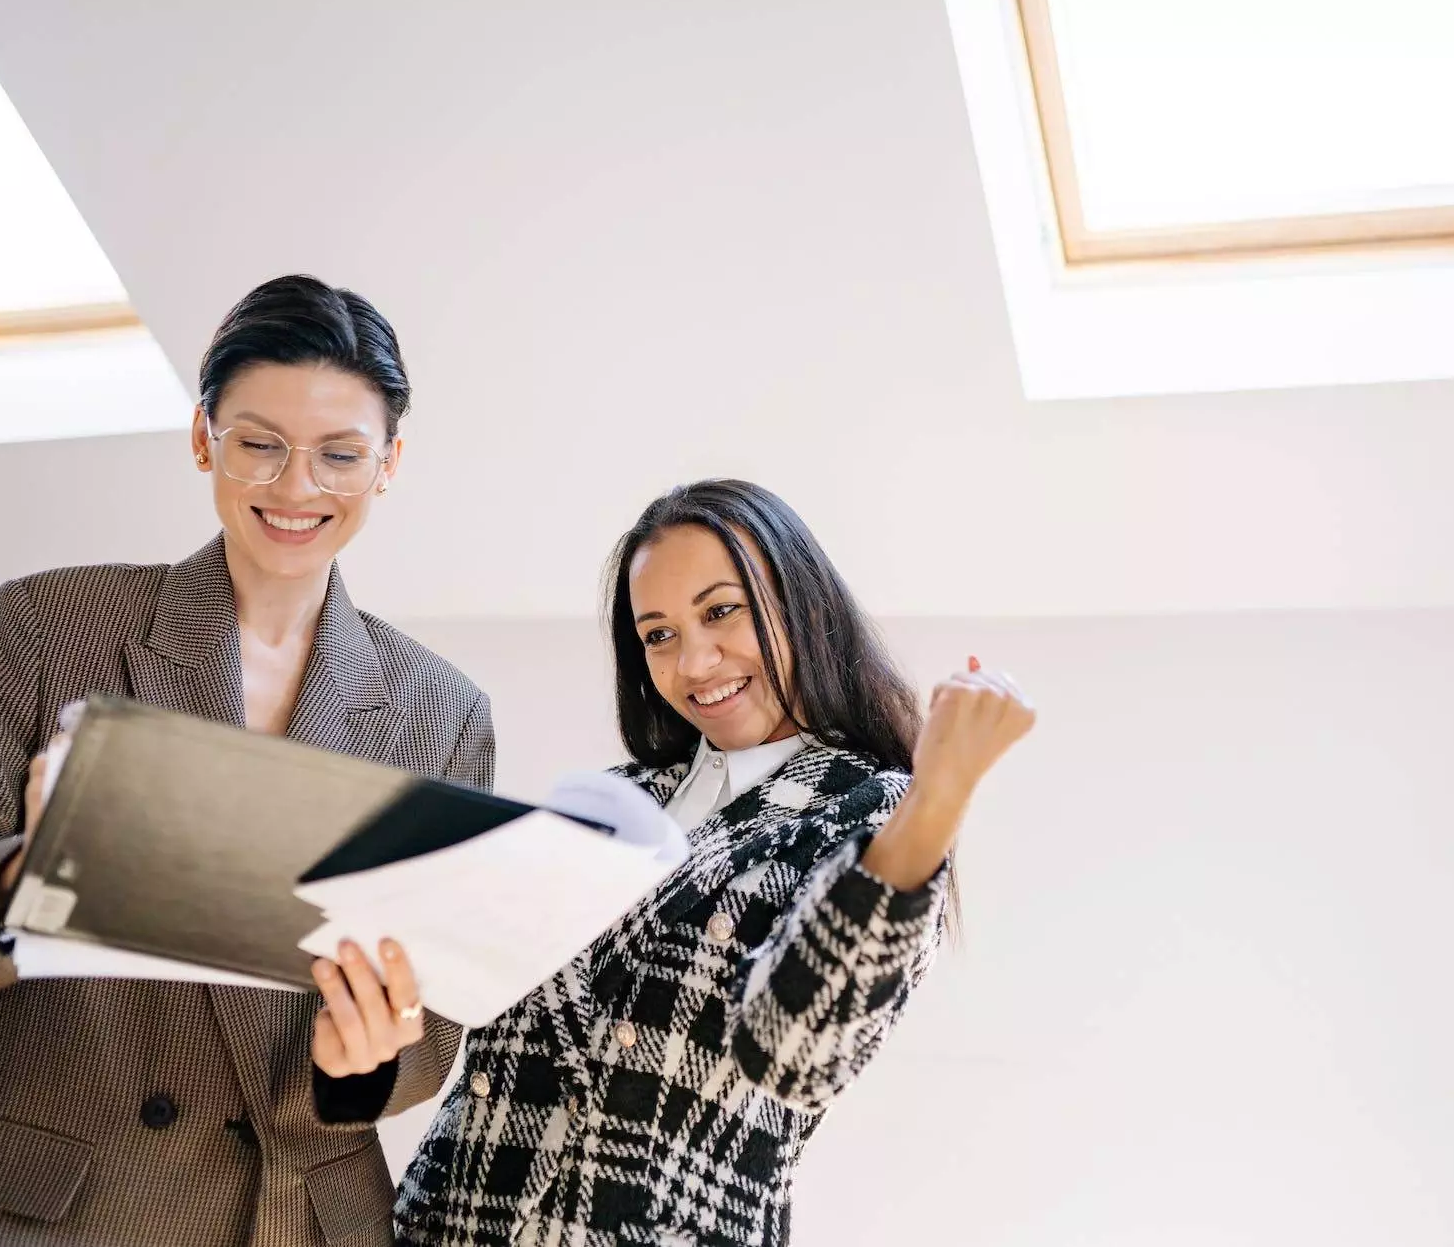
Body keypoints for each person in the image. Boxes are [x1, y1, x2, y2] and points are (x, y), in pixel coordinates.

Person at [0, 274, 492, 1247]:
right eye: (259, 443)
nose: (297, 488)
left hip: (282, 1215)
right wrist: (22, 877)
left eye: (339, 454)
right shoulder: (56, 627)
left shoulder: (441, 709)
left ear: (387, 464)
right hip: (39, 1208)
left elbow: (433, 1017)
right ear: (202, 435)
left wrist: (362, 1061)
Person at [396, 479, 1033, 1246]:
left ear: (801, 601)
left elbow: (795, 1048)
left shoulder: (874, 812)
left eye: (721, 611)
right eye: (658, 634)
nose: (696, 661)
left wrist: (938, 796)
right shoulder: (610, 801)